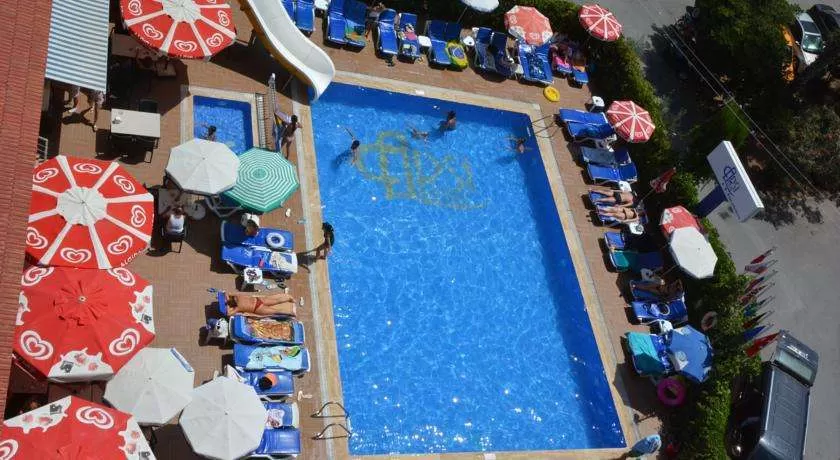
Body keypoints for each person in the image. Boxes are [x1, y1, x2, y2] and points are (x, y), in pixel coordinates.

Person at [224, 292, 297, 317]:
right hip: (257, 300)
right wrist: (227, 298)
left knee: (275, 311)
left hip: (257, 308)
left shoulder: (238, 307)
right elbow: (227, 293)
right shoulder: (237, 296)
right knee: (276, 300)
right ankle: (290, 298)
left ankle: (291, 313)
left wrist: (227, 306)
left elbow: (228, 314)